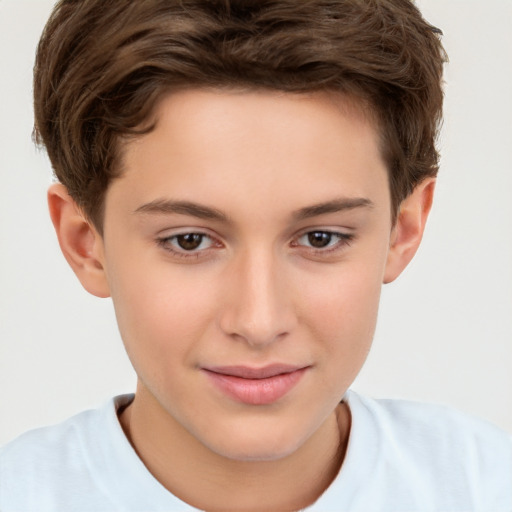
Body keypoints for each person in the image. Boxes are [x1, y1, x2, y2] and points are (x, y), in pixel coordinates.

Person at [0, 0, 510, 510]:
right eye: (189, 241)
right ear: (85, 243)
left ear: (403, 229)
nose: (259, 322)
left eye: (320, 238)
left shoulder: (487, 488)